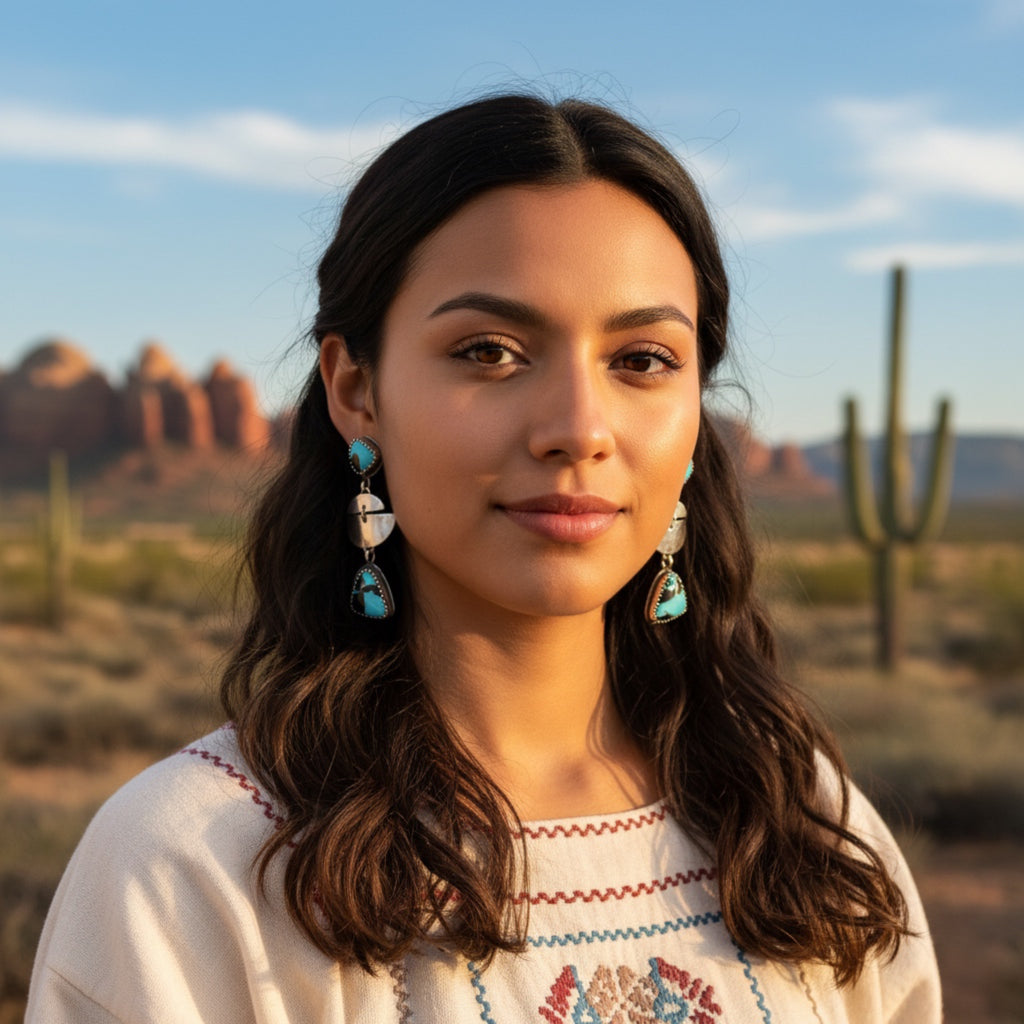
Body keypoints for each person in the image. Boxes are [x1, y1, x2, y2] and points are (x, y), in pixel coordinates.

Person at [26, 93, 941, 1023]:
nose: (579, 429)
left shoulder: (807, 832)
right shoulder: (196, 867)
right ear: (356, 389)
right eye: (490, 351)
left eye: (643, 360)